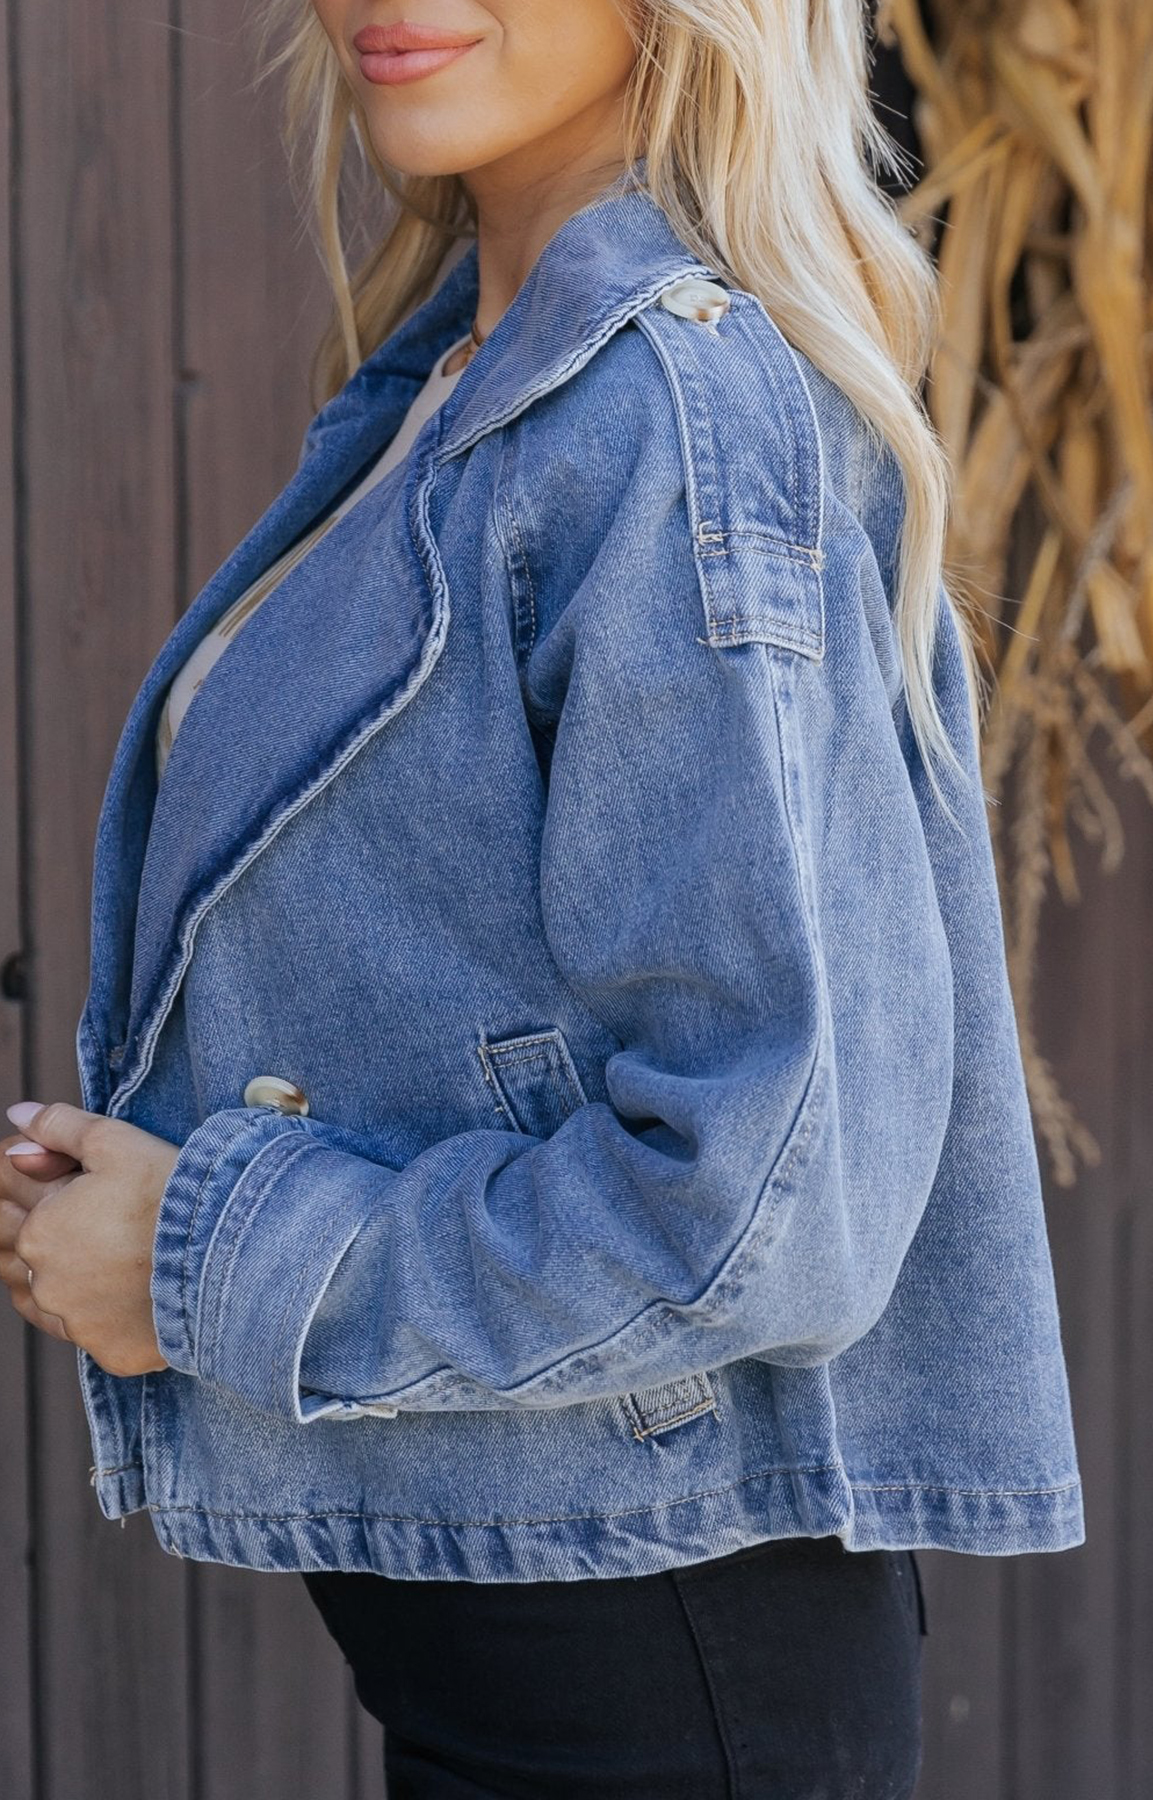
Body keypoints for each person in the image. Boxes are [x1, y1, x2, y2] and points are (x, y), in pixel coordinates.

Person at [0, 2, 1084, 1794]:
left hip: (658, 1677)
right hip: (553, 1634)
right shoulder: (472, 377)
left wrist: (209, 1263)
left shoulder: (669, 413)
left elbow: (760, 1196)